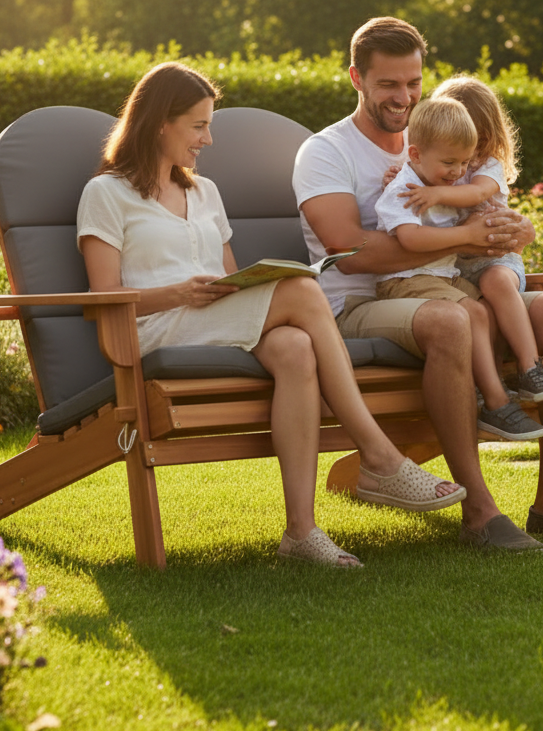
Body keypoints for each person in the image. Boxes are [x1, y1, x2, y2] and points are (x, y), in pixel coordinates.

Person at [77, 61, 467, 569]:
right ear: (159, 123)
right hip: (156, 330)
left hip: (215, 319)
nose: (208, 139)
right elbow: (101, 296)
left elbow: (233, 277)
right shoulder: (106, 194)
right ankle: (378, 454)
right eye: (198, 125)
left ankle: (300, 534)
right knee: (304, 291)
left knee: (295, 347)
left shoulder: (204, 192)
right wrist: (177, 294)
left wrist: (231, 288)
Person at [292, 17, 543, 549]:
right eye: (387, 85)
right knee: (452, 321)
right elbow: (349, 252)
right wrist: (470, 240)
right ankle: (478, 509)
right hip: (357, 306)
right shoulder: (326, 152)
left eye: (413, 83)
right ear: (356, 78)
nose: (402, 97)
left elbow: (487, 204)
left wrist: (515, 229)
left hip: (448, 286)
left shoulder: (439, 139)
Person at [373, 94, 543, 443]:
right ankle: (497, 402)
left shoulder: (440, 184)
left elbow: (477, 204)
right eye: (450, 163)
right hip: (407, 280)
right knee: (473, 311)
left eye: (464, 164)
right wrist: (465, 234)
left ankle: (495, 389)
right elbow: (409, 239)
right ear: (416, 155)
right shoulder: (406, 190)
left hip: (440, 277)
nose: (458, 173)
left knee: (484, 311)